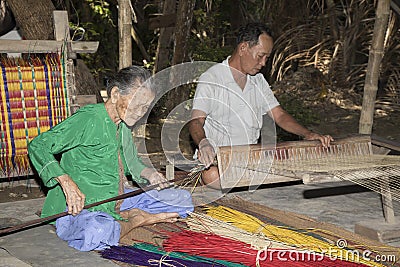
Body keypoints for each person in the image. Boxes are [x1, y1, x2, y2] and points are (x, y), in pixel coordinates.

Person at [28, 66, 193, 251]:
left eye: (145, 108)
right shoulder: (88, 118)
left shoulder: (123, 126)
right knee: (97, 231)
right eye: (137, 104)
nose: (140, 112)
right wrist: (66, 182)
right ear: (115, 94)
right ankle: (137, 221)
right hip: (81, 207)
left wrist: (151, 174)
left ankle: (126, 216)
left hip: (117, 199)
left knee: (182, 200)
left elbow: (132, 163)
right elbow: (38, 146)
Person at [189, 22, 333, 189]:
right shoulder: (212, 78)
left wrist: (308, 134)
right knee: (212, 175)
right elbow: (196, 122)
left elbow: (279, 115)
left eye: (267, 58)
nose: (264, 63)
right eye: (260, 56)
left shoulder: (257, 81)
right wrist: (204, 143)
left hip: (250, 160)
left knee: (293, 162)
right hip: (218, 162)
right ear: (243, 48)